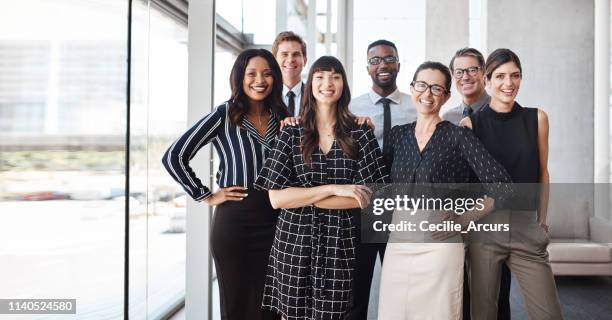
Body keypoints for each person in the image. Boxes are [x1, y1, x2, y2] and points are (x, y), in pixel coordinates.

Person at [254, 56, 389, 320]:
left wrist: (303, 197)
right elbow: (277, 199)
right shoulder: (291, 133)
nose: (328, 83)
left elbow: (370, 197)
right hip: (294, 242)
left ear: (343, 85)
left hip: (341, 245)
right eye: (320, 77)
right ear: (310, 85)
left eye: (335, 77)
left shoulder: (360, 133)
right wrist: (337, 189)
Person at [377, 61, 512, 320]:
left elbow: (503, 186)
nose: (427, 93)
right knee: (393, 312)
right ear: (412, 87)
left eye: (436, 88)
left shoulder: (458, 136)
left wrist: (464, 219)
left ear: (446, 96)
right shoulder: (397, 136)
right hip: (399, 242)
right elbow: (379, 184)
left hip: (440, 245)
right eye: (421, 85)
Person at [162, 49, 288, 320]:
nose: (260, 80)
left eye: (267, 73)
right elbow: (174, 156)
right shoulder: (225, 114)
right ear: (239, 78)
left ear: (275, 79)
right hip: (235, 223)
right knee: (236, 306)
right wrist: (205, 195)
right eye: (251, 73)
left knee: (274, 308)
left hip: (278, 220)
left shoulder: (283, 116)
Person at [460, 48, 563, 320]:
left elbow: (542, 171)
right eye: (501, 76)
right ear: (487, 80)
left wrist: (542, 220)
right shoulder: (470, 124)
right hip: (485, 229)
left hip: (525, 228)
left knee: (548, 314)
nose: (509, 83)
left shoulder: (537, 118)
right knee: (483, 313)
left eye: (515, 76)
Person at [347, 39, 416, 320]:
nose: (383, 65)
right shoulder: (350, 108)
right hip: (362, 209)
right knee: (356, 292)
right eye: (375, 60)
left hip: (402, 210)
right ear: (367, 68)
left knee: (402, 291)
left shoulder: (416, 107)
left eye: (389, 59)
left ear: (398, 64)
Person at [444, 47, 512, 320]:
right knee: (459, 293)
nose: (466, 76)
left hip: (495, 214)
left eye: (472, 69)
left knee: (495, 298)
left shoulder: (502, 112)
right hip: (458, 214)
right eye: (459, 71)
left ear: (484, 74)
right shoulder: (447, 119)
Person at [272, 31, 307, 116]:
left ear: (305, 60)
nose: (290, 60)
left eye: (296, 54)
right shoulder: (266, 96)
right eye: (284, 54)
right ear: (274, 60)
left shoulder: (314, 96)